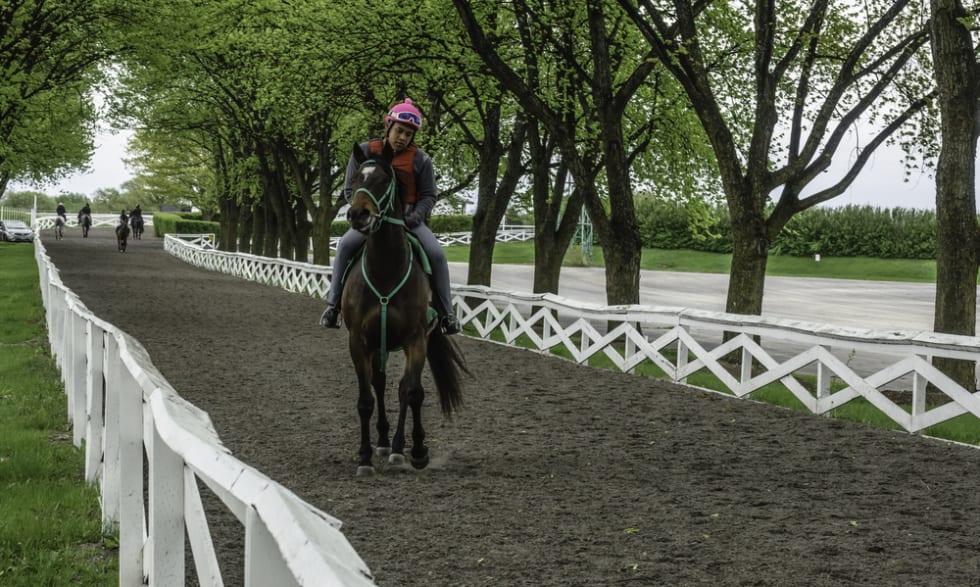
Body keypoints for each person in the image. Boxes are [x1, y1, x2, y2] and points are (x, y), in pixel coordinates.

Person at [319, 98, 461, 335]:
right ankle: (333, 307)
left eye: (408, 133)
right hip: (370, 218)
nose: (403, 137)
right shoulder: (364, 151)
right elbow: (349, 191)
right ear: (388, 127)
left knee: (436, 254)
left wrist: (415, 217)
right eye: (399, 130)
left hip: (407, 220)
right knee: (344, 245)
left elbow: (428, 195)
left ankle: (447, 315)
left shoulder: (421, 160)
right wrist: (368, 213)